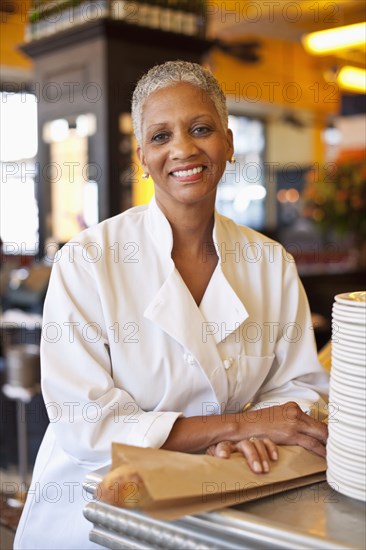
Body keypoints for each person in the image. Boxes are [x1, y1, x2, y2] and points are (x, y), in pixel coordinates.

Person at [15, 61, 328, 550]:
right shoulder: (89, 259)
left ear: (227, 142)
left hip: (224, 490)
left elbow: (300, 388)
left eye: (200, 129)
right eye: (161, 136)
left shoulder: (271, 263)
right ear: (142, 155)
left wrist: (249, 438)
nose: (183, 148)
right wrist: (238, 424)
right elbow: (87, 424)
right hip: (96, 514)